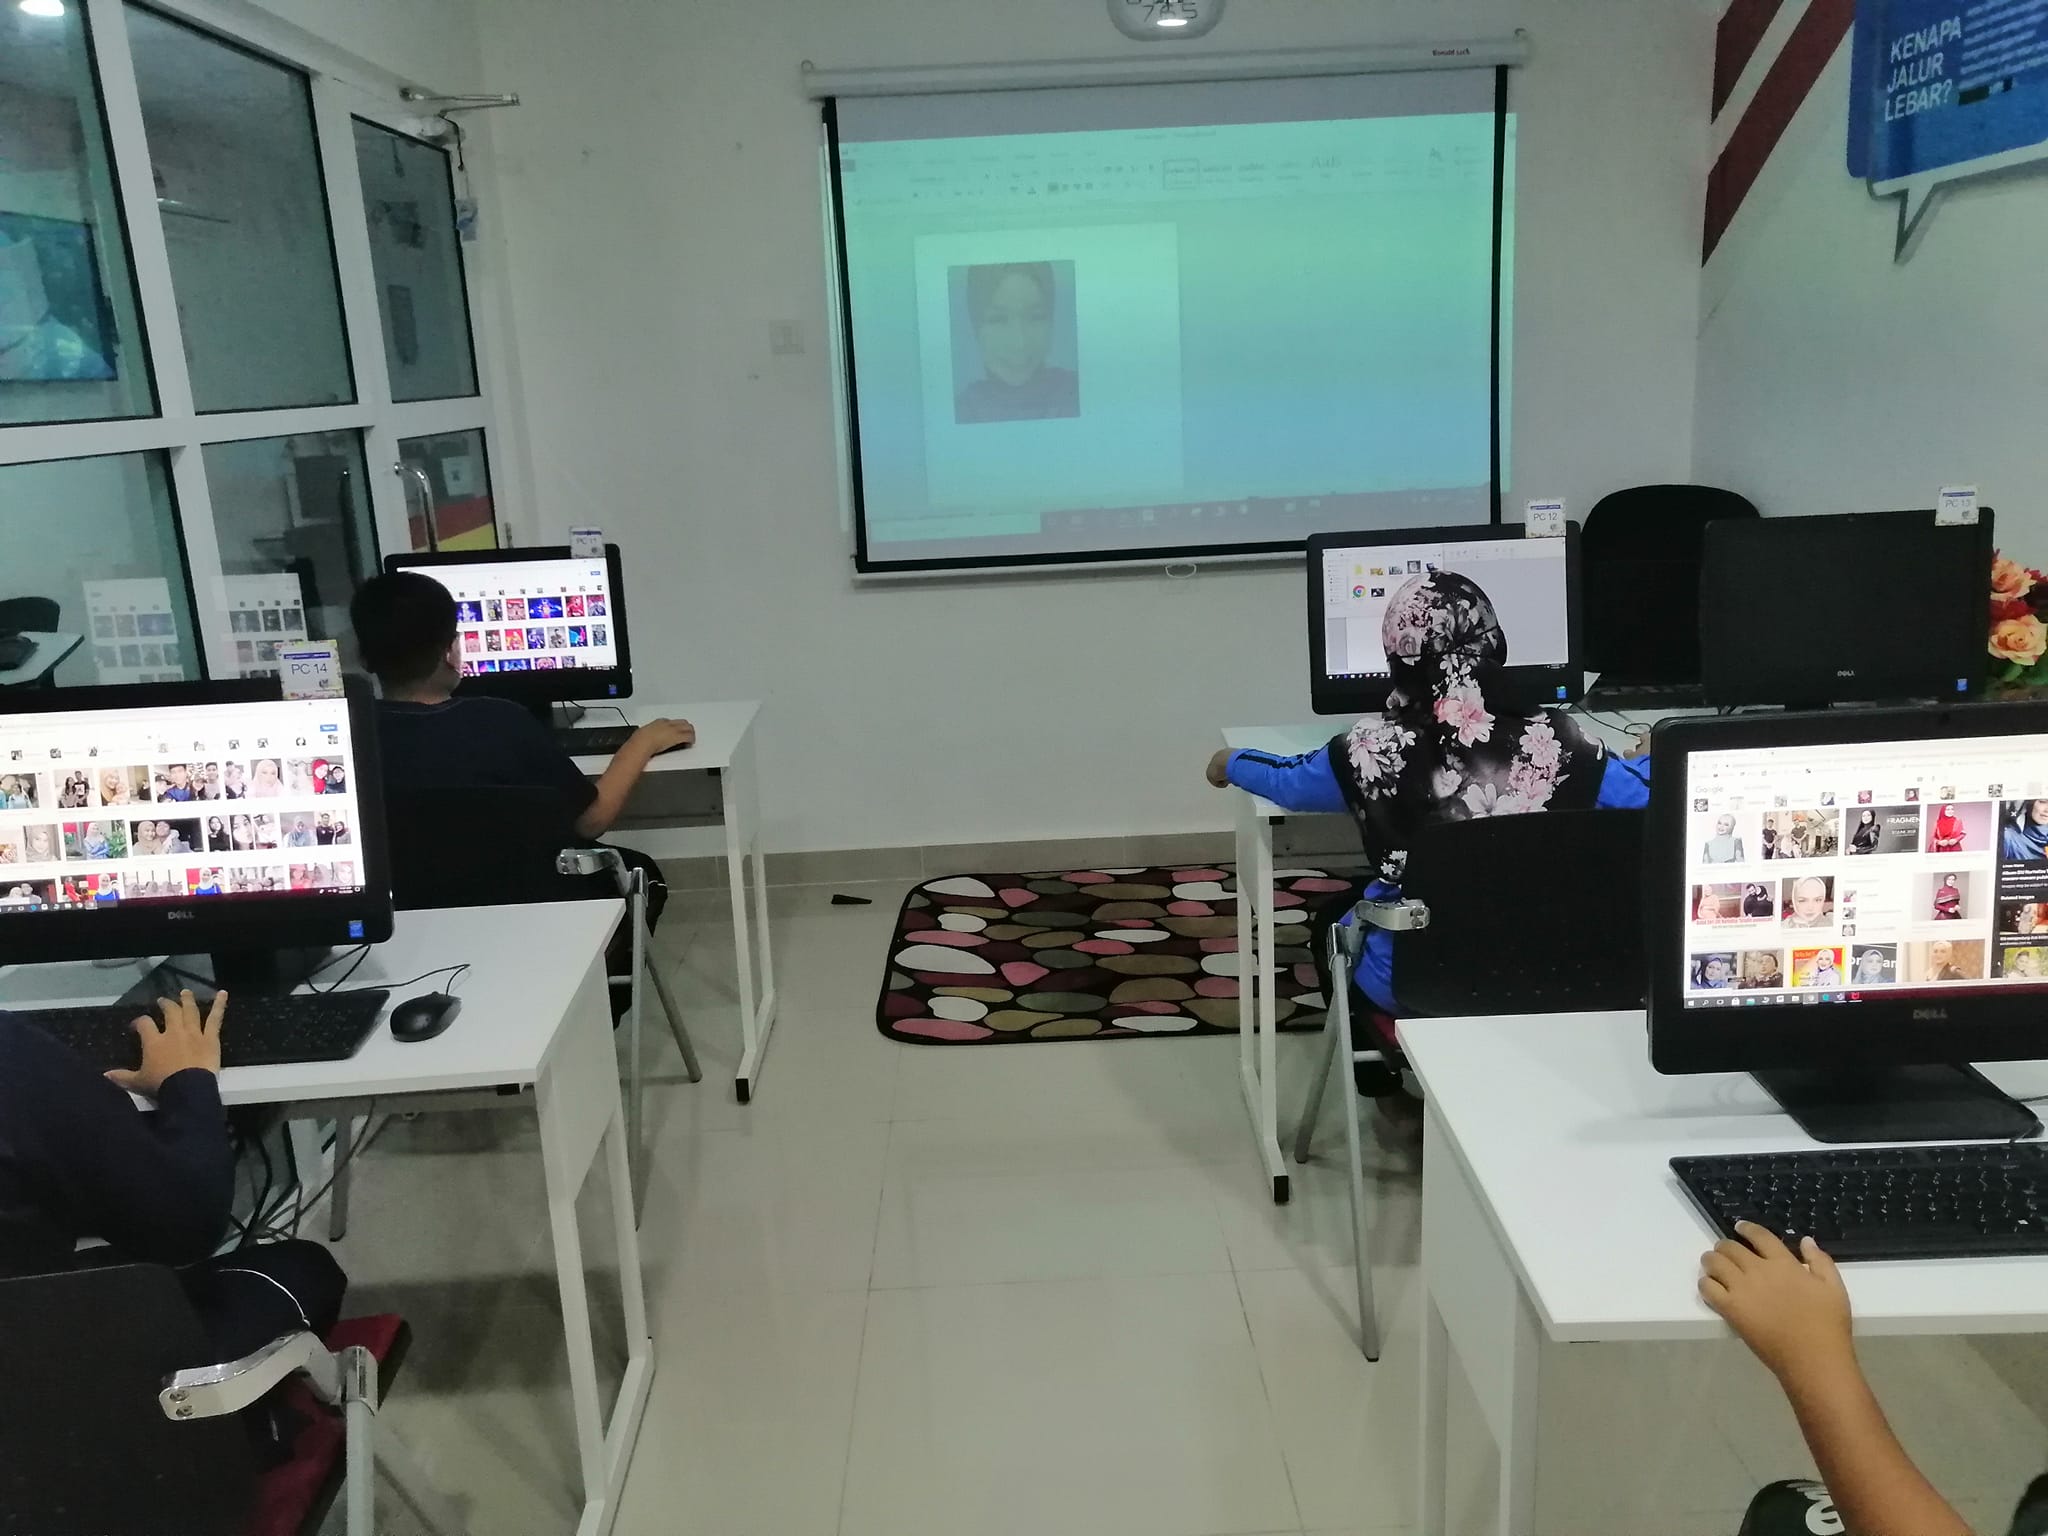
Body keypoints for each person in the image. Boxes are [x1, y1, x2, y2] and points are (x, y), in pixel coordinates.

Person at [1205, 569, 1650, 1098]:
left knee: (1330, 922)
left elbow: (1288, 782)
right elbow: (1645, 795)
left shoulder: (1366, 750)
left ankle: (1376, 1075)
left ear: (1397, 656)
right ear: (1495, 644)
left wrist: (1231, 761)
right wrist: (1650, 755)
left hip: (1420, 979)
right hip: (1556, 969)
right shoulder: (1565, 741)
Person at [0, 991, 347, 1464]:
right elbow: (185, 1226)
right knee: (305, 1266)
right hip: (64, 1415)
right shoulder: (12, 1056)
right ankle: (230, 1444)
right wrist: (188, 1081)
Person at [954, 261, 1080, 424]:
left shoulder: (1080, 394)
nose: (1019, 343)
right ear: (976, 326)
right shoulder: (959, 412)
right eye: (998, 319)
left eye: (1035, 317)